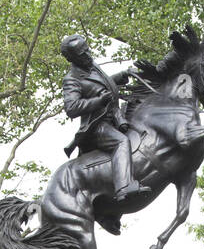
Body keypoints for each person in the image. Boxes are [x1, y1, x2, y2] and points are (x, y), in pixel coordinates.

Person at [60, 34, 147, 200]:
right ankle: (124, 187)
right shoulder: (72, 79)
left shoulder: (91, 65)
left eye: (87, 50)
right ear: (72, 58)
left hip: (114, 118)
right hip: (96, 126)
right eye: (82, 54)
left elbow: (105, 83)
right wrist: (98, 101)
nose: (87, 55)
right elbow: (71, 108)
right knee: (122, 142)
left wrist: (122, 75)